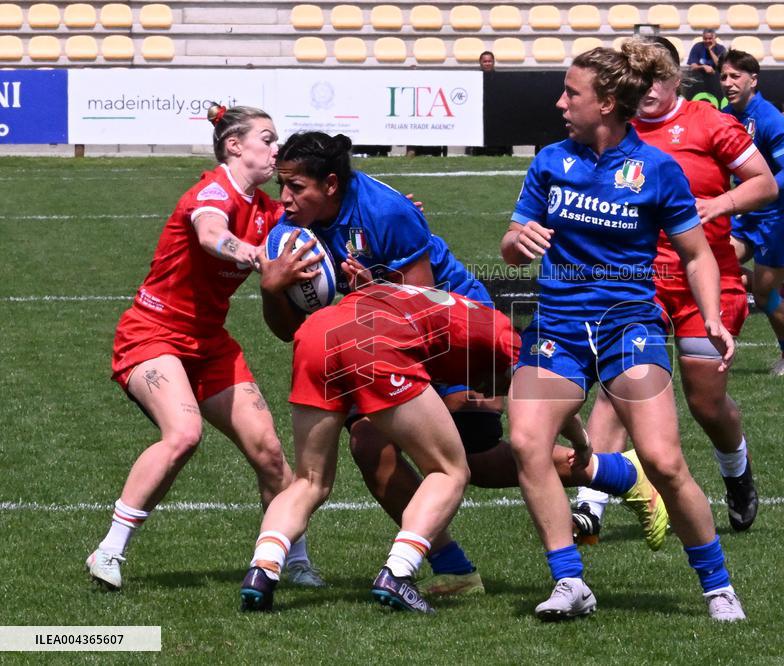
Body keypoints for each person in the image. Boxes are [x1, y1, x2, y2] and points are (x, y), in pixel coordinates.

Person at [257, 131, 658, 598]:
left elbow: (421, 307)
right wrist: (272, 288)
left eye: (295, 187)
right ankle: (455, 567)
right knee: (374, 446)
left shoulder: (385, 212)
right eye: (280, 186)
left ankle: (622, 476)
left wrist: (365, 291)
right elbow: (288, 330)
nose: (283, 198)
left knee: (472, 459)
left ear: (329, 185)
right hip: (373, 338)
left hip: (457, 327)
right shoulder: (288, 234)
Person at [501, 40, 746, 622]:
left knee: (663, 461)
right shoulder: (549, 162)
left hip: (628, 326)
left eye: (571, 93)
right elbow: (511, 245)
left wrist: (710, 314)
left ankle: (718, 587)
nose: (561, 103)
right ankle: (570, 582)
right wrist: (518, 243)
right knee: (527, 443)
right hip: (556, 328)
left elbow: (695, 255)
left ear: (607, 102)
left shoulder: (658, 170)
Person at [86, 104, 323, 591]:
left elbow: (318, 227)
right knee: (184, 434)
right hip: (151, 333)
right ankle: (109, 550)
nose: (276, 148)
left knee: (270, 452)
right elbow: (211, 233)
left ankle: (293, 560)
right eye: (266, 138)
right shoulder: (213, 191)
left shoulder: (268, 209)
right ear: (234, 146)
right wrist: (258, 258)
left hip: (209, 341)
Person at [573, 36, 779, 542]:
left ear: (674, 78)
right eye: (633, 83)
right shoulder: (617, 129)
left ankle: (737, 472)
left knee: (706, 403)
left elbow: (765, 182)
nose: (641, 92)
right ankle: (590, 505)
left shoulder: (711, 124)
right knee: (617, 387)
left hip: (705, 276)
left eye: (651, 82)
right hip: (636, 278)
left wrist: (720, 204)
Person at [239, 282, 521, 613]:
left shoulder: (449, 306)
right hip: (376, 341)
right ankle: (398, 573)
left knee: (309, 480)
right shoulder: (506, 339)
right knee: (449, 470)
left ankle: (262, 569)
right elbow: (535, 398)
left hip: (319, 332)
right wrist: (579, 441)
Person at [721, 50, 784, 376]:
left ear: (753, 80)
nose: (728, 83)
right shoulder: (726, 114)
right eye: (724, 77)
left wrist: (755, 191)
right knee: (716, 264)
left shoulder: (769, 118)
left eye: (735, 77)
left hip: (776, 220)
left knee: (763, 295)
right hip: (746, 215)